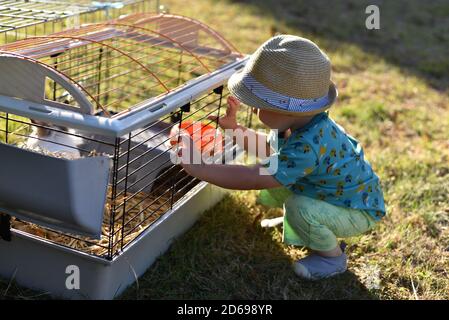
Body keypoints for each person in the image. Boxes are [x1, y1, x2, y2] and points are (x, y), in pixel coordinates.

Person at [173, 35, 386, 280]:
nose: (253, 109)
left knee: (298, 206)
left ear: (287, 110)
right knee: (283, 178)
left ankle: (332, 258)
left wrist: (199, 168)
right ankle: (299, 224)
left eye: (259, 105)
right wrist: (233, 128)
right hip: (333, 193)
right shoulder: (300, 126)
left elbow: (255, 176)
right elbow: (267, 148)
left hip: (356, 210)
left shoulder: (307, 146)